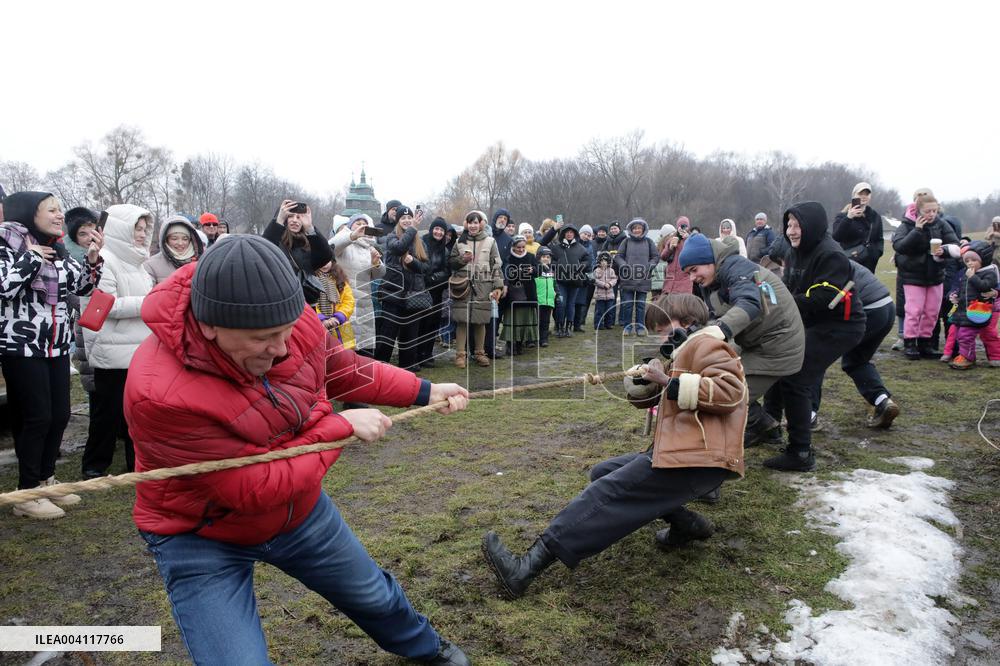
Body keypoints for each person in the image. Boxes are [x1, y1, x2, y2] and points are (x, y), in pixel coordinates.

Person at [124, 235, 471, 666]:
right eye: (264, 338)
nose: (282, 348)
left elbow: (341, 368)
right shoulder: (159, 392)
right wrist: (337, 427)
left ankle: (428, 649)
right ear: (210, 324)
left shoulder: (292, 318)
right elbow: (253, 489)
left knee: (373, 595)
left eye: (286, 331)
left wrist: (424, 390)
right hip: (201, 535)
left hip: (298, 511)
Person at [481, 293, 747, 598]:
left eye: (661, 327)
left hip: (699, 455)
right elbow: (671, 397)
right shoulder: (686, 350)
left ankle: (524, 569)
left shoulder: (709, 344)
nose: (658, 334)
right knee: (603, 472)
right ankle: (688, 524)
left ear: (685, 322)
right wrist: (645, 384)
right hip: (689, 452)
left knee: (608, 492)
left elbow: (730, 394)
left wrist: (666, 381)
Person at [1, 192, 104, 519]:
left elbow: (84, 288)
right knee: (36, 417)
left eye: (59, 209)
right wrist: (30, 257)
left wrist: (91, 260)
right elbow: (4, 287)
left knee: (59, 414)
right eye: (52, 209)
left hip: (57, 344)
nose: (60, 215)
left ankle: (47, 481)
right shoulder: (6, 245)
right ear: (29, 213)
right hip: (21, 346)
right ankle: (27, 494)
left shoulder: (56, 247)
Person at [762, 202, 866, 472]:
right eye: (788, 225)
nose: (791, 231)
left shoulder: (831, 255)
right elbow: (789, 287)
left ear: (811, 226)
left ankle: (800, 452)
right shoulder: (795, 251)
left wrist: (781, 304)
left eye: (797, 225)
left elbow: (823, 296)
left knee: (797, 376)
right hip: (811, 323)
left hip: (840, 326)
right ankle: (769, 426)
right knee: (779, 359)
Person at [679, 232, 805, 448]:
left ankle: (745, 432)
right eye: (688, 273)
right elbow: (715, 314)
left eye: (694, 270)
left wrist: (719, 331)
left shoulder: (738, 268)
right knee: (711, 369)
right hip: (754, 341)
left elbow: (749, 302)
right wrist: (691, 332)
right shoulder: (711, 279)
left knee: (722, 391)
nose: (692, 278)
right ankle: (764, 426)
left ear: (708, 261)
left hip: (777, 346)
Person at [81, 204, 155, 478]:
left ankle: (135, 465)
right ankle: (93, 467)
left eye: (145, 228)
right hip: (112, 351)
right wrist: (150, 303)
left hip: (137, 349)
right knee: (107, 414)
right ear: (120, 228)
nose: (141, 233)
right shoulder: (105, 259)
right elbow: (105, 305)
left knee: (137, 413)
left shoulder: (138, 263)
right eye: (136, 227)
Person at [811, 260, 900, 427]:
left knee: (815, 358)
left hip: (867, 310)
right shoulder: (832, 255)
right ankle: (882, 401)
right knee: (856, 361)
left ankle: (808, 415)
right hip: (886, 307)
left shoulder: (818, 261)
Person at [890, 194, 960, 359]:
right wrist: (917, 230)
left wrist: (946, 250)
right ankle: (910, 344)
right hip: (913, 276)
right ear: (918, 210)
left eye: (935, 210)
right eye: (928, 211)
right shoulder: (906, 225)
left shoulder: (941, 224)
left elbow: (954, 243)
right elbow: (900, 246)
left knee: (932, 312)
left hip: (935, 275)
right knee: (914, 311)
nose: (932, 214)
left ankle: (925, 343)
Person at [375, 206, 429, 371]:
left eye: (409, 218)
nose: (407, 221)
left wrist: (413, 263)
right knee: (387, 336)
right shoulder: (391, 238)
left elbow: (426, 268)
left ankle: (408, 368)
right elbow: (399, 248)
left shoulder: (420, 243)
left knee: (410, 336)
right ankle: (380, 368)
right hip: (393, 295)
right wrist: (413, 228)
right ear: (398, 221)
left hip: (413, 296)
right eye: (403, 218)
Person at [448, 210, 503, 368]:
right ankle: (460, 355)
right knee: (462, 321)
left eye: (476, 222)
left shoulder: (491, 241)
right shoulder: (459, 242)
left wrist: (498, 286)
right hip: (462, 286)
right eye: (470, 222)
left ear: (481, 224)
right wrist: (461, 260)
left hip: (483, 286)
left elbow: (496, 265)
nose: (473, 225)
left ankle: (479, 353)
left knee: (480, 321)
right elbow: (451, 262)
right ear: (467, 224)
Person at [329, 213, 385, 357]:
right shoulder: (345, 244)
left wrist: (376, 263)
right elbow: (330, 248)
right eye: (357, 222)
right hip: (345, 304)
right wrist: (352, 235)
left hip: (365, 305)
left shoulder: (370, 247)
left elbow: (380, 274)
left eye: (364, 223)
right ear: (350, 227)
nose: (361, 225)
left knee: (365, 349)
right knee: (347, 349)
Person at [262, 199, 334, 305]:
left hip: (304, 303)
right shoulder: (275, 240)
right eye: (290, 216)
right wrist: (278, 221)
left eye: (299, 217)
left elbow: (325, 256)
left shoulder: (309, 242)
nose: (295, 220)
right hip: (279, 301)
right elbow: (263, 250)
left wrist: (310, 228)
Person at [947, 241, 1000, 369]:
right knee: (963, 335)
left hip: (981, 312)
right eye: (967, 260)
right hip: (966, 312)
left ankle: (992, 357)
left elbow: (985, 286)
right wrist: (956, 296)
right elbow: (964, 290)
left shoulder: (989, 273)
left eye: (973, 260)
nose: (970, 263)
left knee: (985, 335)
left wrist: (973, 277)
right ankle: (967, 356)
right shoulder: (967, 273)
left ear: (983, 260)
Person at [538, 220, 590, 338]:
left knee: (571, 304)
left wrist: (580, 266)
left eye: (572, 232)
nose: (569, 234)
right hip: (560, 280)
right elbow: (548, 253)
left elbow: (587, 261)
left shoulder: (581, 248)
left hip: (575, 281)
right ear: (563, 234)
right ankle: (560, 327)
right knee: (561, 303)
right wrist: (559, 267)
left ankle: (568, 328)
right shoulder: (556, 248)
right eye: (567, 232)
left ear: (575, 234)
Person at [613, 218, 659, 335]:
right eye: (635, 228)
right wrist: (624, 265)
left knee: (640, 305)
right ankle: (627, 328)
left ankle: (640, 328)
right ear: (631, 230)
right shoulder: (626, 242)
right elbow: (618, 256)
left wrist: (650, 266)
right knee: (627, 305)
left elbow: (655, 257)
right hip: (627, 279)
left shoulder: (649, 242)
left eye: (639, 228)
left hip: (643, 279)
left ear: (643, 229)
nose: (637, 230)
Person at [417, 217, 452, 367]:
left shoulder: (444, 250)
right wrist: (428, 277)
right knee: (421, 324)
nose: (438, 232)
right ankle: (417, 354)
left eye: (441, 230)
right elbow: (419, 265)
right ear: (432, 230)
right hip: (422, 290)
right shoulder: (422, 243)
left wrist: (434, 277)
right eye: (436, 229)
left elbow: (447, 271)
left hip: (437, 290)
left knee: (433, 324)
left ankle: (427, 353)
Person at [499, 236, 540, 354]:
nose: (521, 250)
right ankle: (510, 345)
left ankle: (520, 344)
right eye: (518, 247)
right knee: (513, 320)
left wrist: (533, 270)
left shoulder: (531, 257)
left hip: (528, 294)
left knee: (524, 320)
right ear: (513, 247)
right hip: (512, 294)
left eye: (523, 247)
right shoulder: (508, 259)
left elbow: (539, 270)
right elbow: (505, 274)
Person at [832, 182, 884, 273]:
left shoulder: (875, 216)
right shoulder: (842, 215)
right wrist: (848, 218)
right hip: (849, 262)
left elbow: (879, 239)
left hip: (869, 265)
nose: (864, 196)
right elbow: (836, 236)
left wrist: (876, 253)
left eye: (867, 194)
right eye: (860, 193)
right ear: (854, 196)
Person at [143, 214, 205, 285]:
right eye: (174, 238)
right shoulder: (151, 265)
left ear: (190, 240)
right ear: (166, 240)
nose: (180, 243)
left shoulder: (201, 261)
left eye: (185, 239)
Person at [315, 259, 355, 349]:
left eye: (327, 261)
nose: (324, 264)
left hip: (341, 325)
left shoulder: (340, 279)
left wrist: (339, 316)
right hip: (320, 326)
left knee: (345, 355)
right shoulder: (311, 279)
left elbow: (349, 301)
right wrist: (321, 319)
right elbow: (311, 303)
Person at [659, 217, 694, 297]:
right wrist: (670, 248)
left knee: (683, 305)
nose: (682, 228)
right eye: (680, 226)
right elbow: (663, 257)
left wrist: (687, 240)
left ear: (688, 227)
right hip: (670, 280)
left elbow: (695, 256)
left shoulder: (691, 239)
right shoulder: (672, 239)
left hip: (685, 279)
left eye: (685, 226)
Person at [573, 224, 597, 332]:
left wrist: (591, 277)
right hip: (573, 275)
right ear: (580, 233)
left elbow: (591, 262)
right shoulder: (574, 244)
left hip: (584, 277)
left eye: (589, 235)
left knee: (581, 301)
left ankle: (578, 324)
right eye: (585, 234)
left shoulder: (590, 246)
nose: (586, 236)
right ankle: (568, 323)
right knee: (572, 301)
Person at [535, 247, 556, 347]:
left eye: (548, 257)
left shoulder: (552, 270)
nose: (546, 259)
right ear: (539, 258)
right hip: (539, 299)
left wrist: (558, 294)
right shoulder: (537, 269)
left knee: (546, 321)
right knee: (536, 321)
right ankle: (533, 339)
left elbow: (554, 284)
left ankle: (544, 339)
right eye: (543, 257)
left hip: (549, 300)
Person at [593, 252, 618, 330]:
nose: (604, 263)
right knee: (599, 311)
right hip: (600, 296)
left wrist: (610, 284)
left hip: (610, 295)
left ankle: (608, 324)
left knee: (609, 311)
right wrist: (603, 284)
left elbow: (614, 279)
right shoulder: (597, 270)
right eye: (602, 261)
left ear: (609, 262)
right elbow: (595, 280)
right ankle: (598, 325)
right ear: (599, 262)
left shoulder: (611, 271)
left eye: (605, 261)